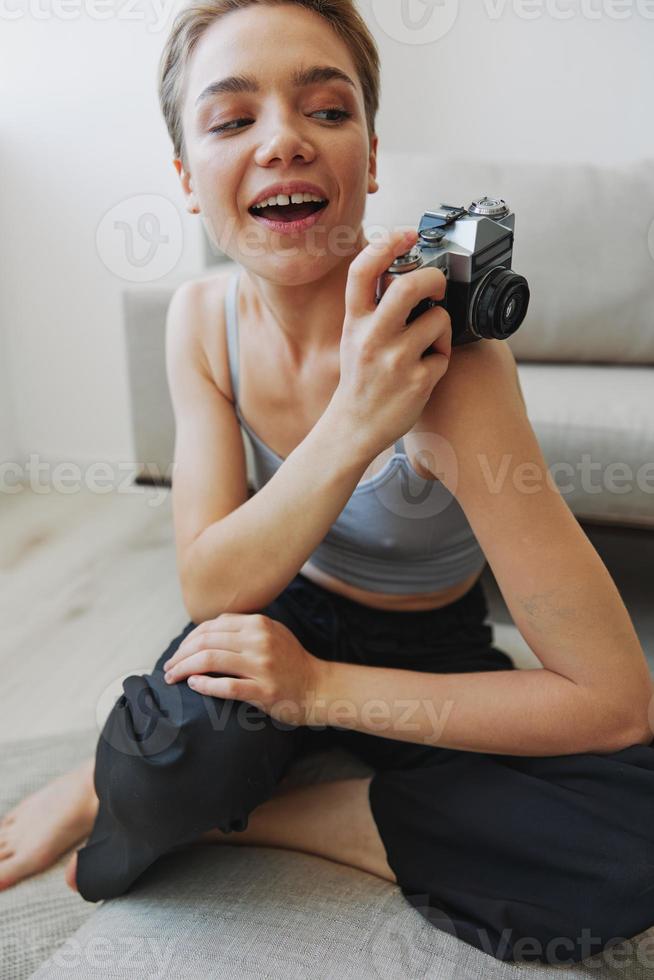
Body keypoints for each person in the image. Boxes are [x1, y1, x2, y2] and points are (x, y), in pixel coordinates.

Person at [2, 0, 653, 966]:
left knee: (633, 837)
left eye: (327, 111)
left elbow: (615, 702)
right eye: (232, 120)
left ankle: (279, 810)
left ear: (372, 157)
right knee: (155, 767)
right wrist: (355, 422)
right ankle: (121, 781)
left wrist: (317, 693)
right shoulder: (199, 321)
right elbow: (214, 586)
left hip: (431, 648)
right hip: (275, 608)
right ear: (187, 179)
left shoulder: (453, 362)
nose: (284, 143)